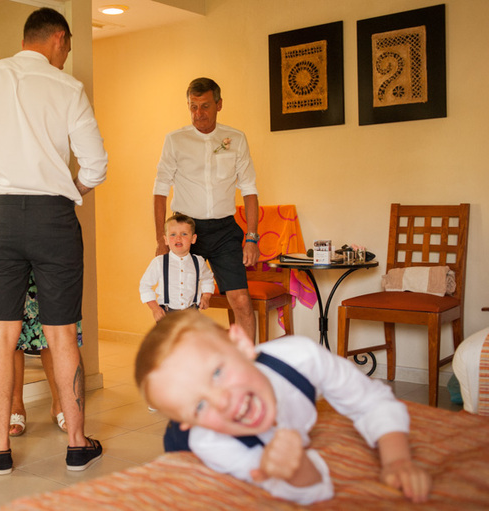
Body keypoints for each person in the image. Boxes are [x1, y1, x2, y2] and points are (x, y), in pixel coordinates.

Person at [0, 7, 108, 475]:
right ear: (58, 37)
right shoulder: (68, 88)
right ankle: (76, 444)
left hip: (2, 216)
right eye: (69, 45)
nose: (68, 54)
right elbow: (95, 165)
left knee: (1, 332)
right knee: (61, 332)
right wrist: (70, 192)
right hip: (55, 218)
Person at [134, 311, 432, 505]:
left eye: (216, 372)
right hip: (184, 440)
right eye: (200, 404)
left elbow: (369, 399)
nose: (222, 400)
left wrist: (396, 460)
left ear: (241, 344)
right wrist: (296, 468)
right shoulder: (210, 440)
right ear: (191, 421)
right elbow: (303, 487)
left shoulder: (300, 357)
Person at [153, 77, 259, 342]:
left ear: (219, 105)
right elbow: (160, 190)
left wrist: (251, 238)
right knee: (181, 305)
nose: (198, 113)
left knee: (241, 301)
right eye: (193, 107)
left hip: (224, 231)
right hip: (186, 231)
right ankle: (184, 368)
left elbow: (249, 190)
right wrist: (161, 240)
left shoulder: (235, 139)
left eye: (205, 106)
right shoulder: (175, 140)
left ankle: (246, 367)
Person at [0, 192, 78, 436]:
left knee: (54, 321)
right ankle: (15, 404)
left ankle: (61, 402)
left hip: (46, 218)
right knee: (5, 324)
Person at [140, 213, 215, 321]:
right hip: (166, 316)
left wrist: (206, 297)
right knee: (169, 338)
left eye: (184, 234)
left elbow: (208, 279)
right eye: (173, 234)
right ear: (165, 240)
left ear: (193, 239)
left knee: (191, 338)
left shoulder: (198, 262)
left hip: (192, 315)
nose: (178, 238)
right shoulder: (159, 262)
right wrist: (155, 308)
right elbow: (145, 286)